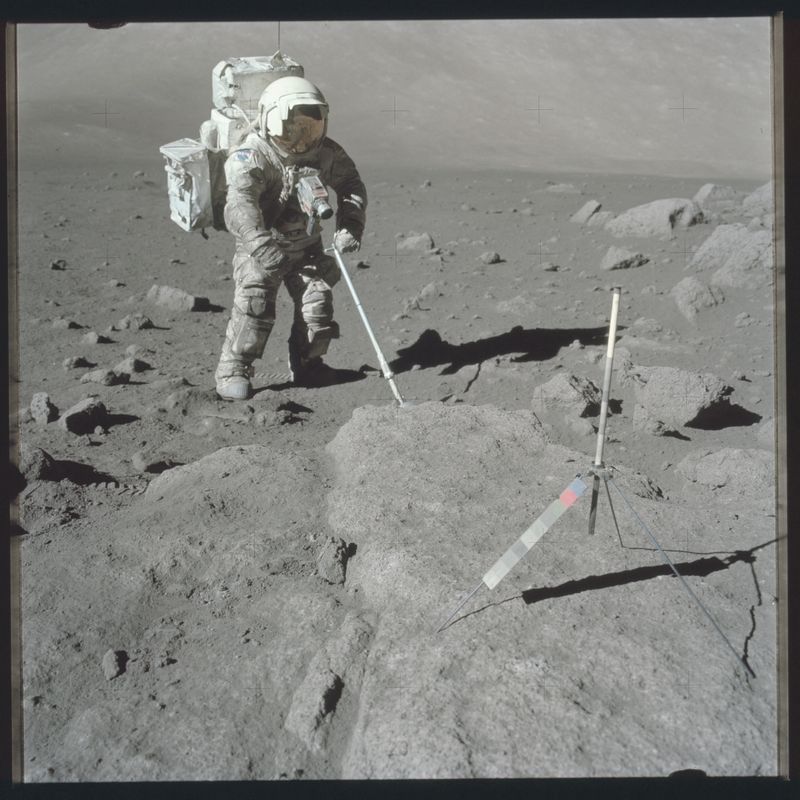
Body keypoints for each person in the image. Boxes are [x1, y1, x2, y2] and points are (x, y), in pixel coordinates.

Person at [214, 75, 367, 401]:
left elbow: (351, 186)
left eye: (309, 128)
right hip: (261, 249)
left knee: (318, 305)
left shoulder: (327, 154)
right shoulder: (252, 155)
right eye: (290, 128)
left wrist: (350, 226)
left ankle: (309, 364)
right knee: (254, 307)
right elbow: (240, 205)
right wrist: (260, 244)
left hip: (306, 247)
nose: (301, 139)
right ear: (270, 120)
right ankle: (233, 368)